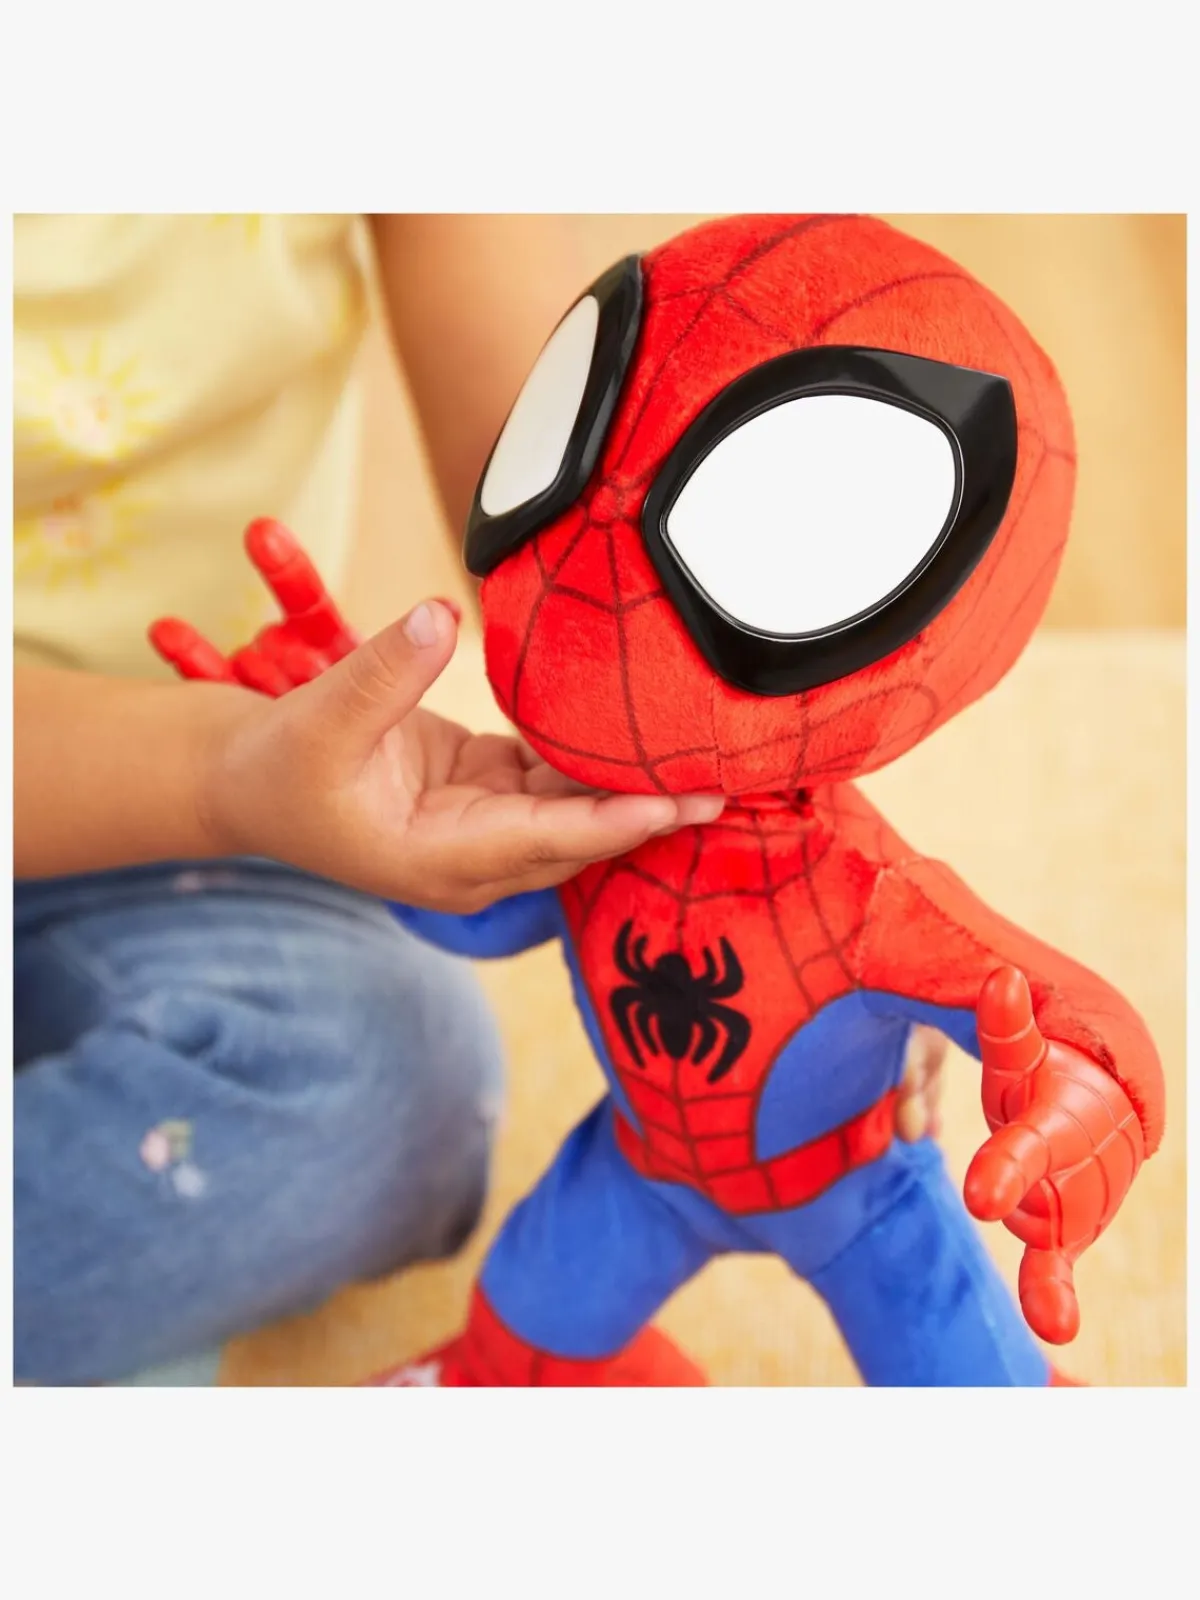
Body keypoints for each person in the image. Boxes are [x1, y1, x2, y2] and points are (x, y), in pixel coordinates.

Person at [12, 214, 946, 1385]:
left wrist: (805, 851)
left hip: (220, 786)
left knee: (388, 1085)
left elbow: (572, 472)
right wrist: (220, 769)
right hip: (214, 766)